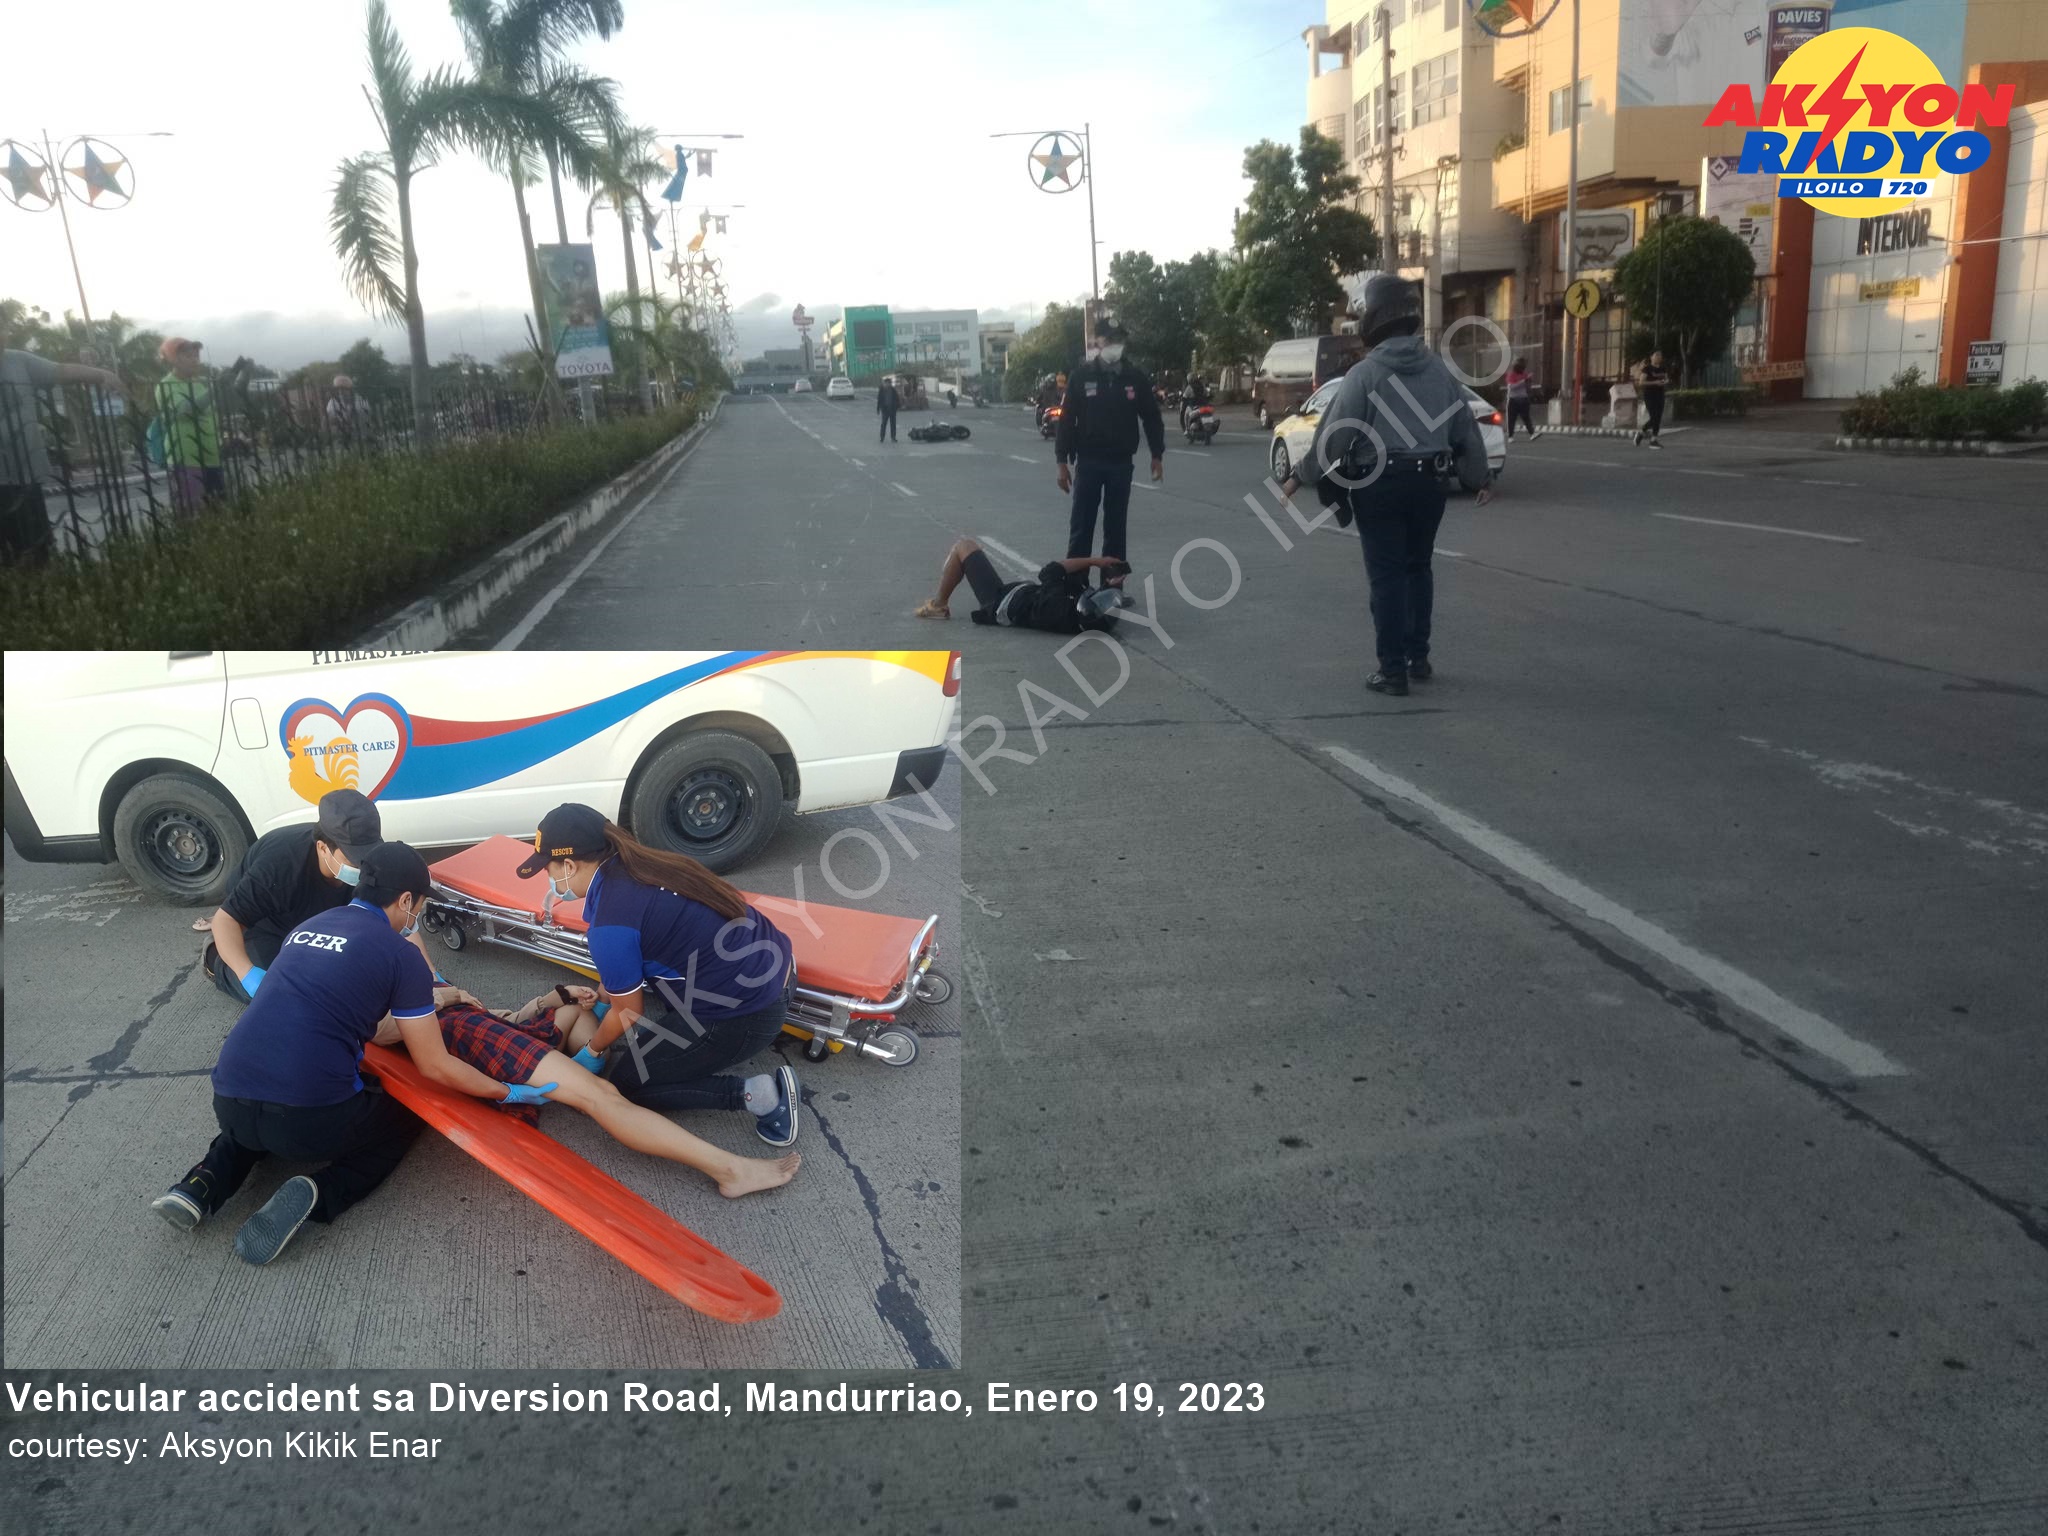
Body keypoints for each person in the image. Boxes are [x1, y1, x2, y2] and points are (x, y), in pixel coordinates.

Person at [150, 842, 447, 1265]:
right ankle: (321, 1192)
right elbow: (432, 1063)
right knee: (405, 1113)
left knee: (257, 1107)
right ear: (405, 900)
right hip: (308, 1126)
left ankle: (202, 1182)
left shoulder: (306, 927)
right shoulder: (403, 955)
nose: (416, 915)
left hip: (228, 1101)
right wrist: (506, 1090)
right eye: (418, 905)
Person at [516, 803, 802, 1147]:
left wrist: (591, 1051)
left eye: (547, 868)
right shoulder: (644, 863)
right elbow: (624, 960)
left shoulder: (610, 923)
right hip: (778, 967)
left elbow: (630, 1010)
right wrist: (603, 1003)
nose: (549, 879)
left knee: (629, 1085)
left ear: (569, 865)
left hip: (749, 1013)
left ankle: (760, 1096)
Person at [1281, 274, 1489, 697]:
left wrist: (1300, 475)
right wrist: (1479, 476)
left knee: (1388, 577)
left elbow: (1334, 436)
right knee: (1419, 568)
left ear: (1372, 319)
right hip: (1431, 485)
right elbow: (1464, 428)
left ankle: (1392, 671)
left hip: (1380, 486)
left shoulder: (1365, 374)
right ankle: (1418, 658)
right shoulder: (1439, 371)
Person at [424, 980, 800, 1197]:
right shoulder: (399, 976)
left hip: (496, 1028)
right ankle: (729, 1170)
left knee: (580, 1010)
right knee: (603, 1096)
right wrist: (504, 1091)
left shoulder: (408, 957)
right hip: (476, 1040)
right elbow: (403, 1035)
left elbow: (506, 1017)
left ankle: (580, 1074)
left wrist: (559, 996)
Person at [201, 788, 415, 1006]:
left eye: (366, 857)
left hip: (323, 917)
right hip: (268, 923)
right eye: (353, 859)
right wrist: (248, 976)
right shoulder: (280, 865)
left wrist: (428, 972)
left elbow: (398, 914)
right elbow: (226, 919)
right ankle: (217, 959)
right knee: (285, 997)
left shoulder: (371, 860)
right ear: (322, 848)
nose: (362, 867)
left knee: (358, 978)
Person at [0, 319, 124, 566]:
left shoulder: (17, 360)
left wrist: (102, 374)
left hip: (27, 472)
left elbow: (61, 370)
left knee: (37, 548)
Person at [1054, 319, 1165, 563]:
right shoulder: (1081, 376)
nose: (1115, 344)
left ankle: (1112, 581)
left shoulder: (1134, 377)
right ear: (1098, 342)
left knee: (1116, 528)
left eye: (1119, 340)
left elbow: (1151, 417)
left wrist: (1157, 454)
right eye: (1110, 339)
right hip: (1089, 462)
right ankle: (1076, 582)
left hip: (1121, 464)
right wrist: (1061, 462)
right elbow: (1066, 419)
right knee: (1082, 526)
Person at [914, 536, 1132, 633]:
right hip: (1013, 596)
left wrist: (1094, 561)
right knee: (969, 550)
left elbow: (1050, 571)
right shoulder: (1078, 618)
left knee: (964, 546)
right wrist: (1108, 587)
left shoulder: (1056, 606)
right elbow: (1095, 610)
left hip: (998, 601)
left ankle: (938, 605)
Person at [152, 336, 225, 513]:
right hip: (186, 458)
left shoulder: (198, 384)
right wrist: (215, 390)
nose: (195, 360)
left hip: (211, 456)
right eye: (189, 356)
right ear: (173, 360)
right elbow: (185, 410)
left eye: (196, 356)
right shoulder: (166, 385)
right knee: (194, 513)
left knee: (219, 511)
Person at [1632, 350, 1669, 448]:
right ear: (1651, 357)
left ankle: (1653, 440)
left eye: (1660, 355)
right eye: (1656, 355)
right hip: (1650, 395)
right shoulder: (1647, 369)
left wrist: (1665, 382)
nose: (1659, 357)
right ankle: (1643, 433)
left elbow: (1666, 379)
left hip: (1660, 395)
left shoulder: (1663, 368)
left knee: (1658, 418)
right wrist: (1655, 383)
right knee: (1654, 417)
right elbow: (1641, 382)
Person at [1503, 358, 1539, 441]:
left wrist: (1529, 381)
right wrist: (1523, 381)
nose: (1523, 369)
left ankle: (1532, 434)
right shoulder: (1511, 375)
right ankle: (1510, 436)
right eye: (1521, 367)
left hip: (1523, 399)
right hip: (1513, 399)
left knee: (1526, 417)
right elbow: (1512, 387)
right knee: (1511, 419)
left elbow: (1527, 387)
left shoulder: (1524, 374)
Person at [876, 375, 900, 443]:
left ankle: (893, 437)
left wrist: (897, 407)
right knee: (884, 424)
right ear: (884, 383)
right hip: (885, 410)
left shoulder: (893, 390)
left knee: (893, 424)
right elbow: (879, 400)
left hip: (892, 409)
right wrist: (878, 409)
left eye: (889, 383)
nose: (888, 384)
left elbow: (897, 399)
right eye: (886, 383)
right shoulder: (881, 390)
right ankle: (882, 437)